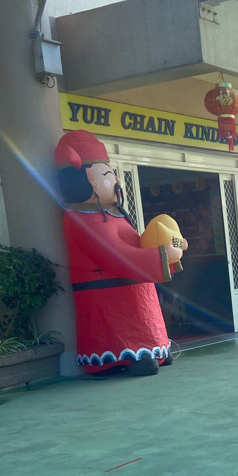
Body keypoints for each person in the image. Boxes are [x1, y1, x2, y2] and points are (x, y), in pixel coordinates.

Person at [55, 130, 185, 377]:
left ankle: (155, 347)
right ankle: (120, 358)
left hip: (134, 287)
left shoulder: (114, 214)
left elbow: (137, 243)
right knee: (120, 331)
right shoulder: (80, 218)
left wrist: (170, 244)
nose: (117, 182)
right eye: (108, 175)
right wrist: (161, 255)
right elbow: (114, 253)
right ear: (89, 179)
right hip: (107, 292)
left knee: (145, 324)